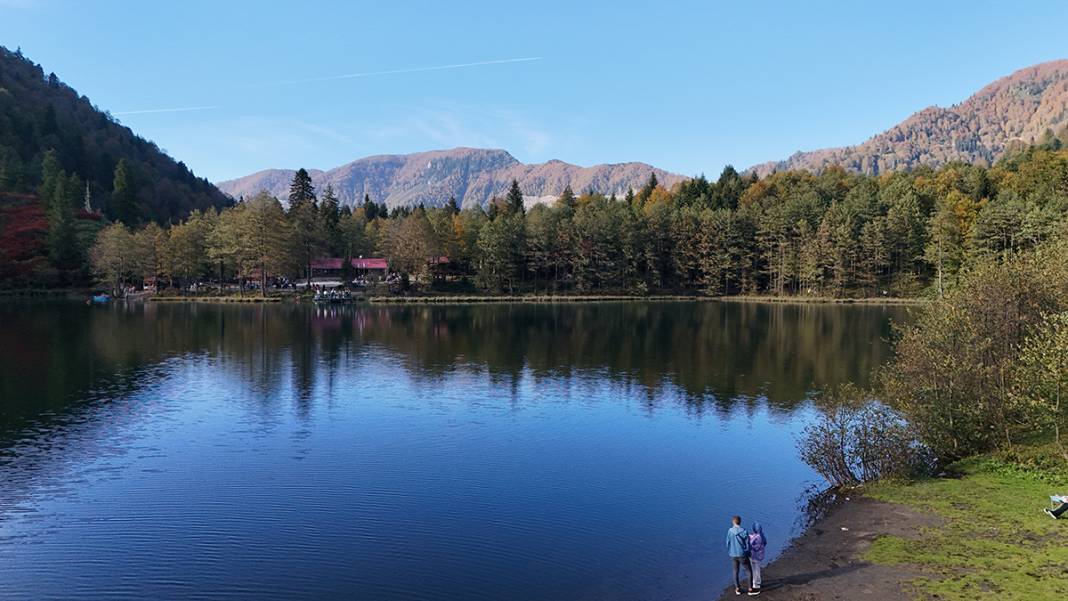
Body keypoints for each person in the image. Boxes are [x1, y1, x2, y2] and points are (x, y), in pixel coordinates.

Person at [726, 515, 752, 595]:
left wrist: (730, 551)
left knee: (735, 571)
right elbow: (748, 543)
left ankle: (737, 589)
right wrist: (748, 552)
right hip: (742, 554)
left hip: (733, 554)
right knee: (748, 570)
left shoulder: (730, 531)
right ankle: (750, 588)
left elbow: (727, 543)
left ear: (733, 522)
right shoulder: (744, 531)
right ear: (740, 522)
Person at [747, 523, 767, 596]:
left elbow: (749, 545)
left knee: (754, 570)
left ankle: (756, 585)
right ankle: (758, 582)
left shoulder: (751, 537)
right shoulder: (762, 536)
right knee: (757, 569)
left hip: (752, 556)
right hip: (759, 556)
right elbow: (765, 543)